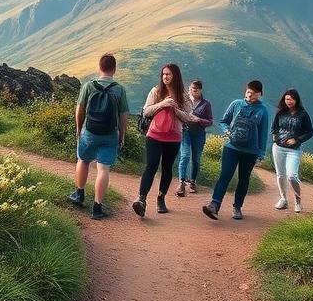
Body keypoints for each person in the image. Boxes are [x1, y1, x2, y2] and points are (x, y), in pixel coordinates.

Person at [68, 53, 129, 219]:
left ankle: (79, 194)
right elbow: (123, 115)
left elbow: (80, 109)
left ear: (99, 67)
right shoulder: (120, 89)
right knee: (103, 169)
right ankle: (97, 208)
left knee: (83, 160)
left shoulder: (89, 86)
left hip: (90, 131)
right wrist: (122, 134)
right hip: (109, 134)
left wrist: (79, 128)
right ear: (114, 70)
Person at [202, 80, 270, 221]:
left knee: (243, 179)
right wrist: (226, 131)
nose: (249, 96)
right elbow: (224, 121)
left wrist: (261, 154)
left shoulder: (263, 111)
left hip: (250, 151)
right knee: (225, 175)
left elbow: (263, 133)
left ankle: (237, 207)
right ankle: (214, 205)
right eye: (248, 92)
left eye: (253, 94)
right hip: (231, 147)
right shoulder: (236, 104)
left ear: (259, 94)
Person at [133, 64, 192, 217]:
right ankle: (141, 200)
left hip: (173, 137)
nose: (165, 77)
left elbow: (188, 117)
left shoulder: (183, 96)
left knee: (167, 168)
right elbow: (146, 110)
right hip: (155, 135)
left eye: (169, 74)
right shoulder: (156, 91)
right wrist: (162, 104)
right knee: (151, 166)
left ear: (176, 76)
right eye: (163, 74)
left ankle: (161, 198)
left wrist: (175, 108)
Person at [271, 89, 313, 213]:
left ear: (296, 100)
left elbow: (310, 132)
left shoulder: (303, 114)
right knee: (280, 174)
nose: (288, 101)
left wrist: (297, 140)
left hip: (294, 150)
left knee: (292, 175)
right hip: (278, 147)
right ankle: (283, 199)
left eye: (290, 99)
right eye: (286, 99)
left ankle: (298, 200)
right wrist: (275, 138)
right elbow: (274, 128)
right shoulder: (280, 113)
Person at [175, 79, 213, 196]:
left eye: (196, 89)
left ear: (200, 90)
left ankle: (192, 181)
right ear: (189, 89)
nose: (193, 90)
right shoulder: (183, 101)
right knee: (185, 156)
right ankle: (181, 183)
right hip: (185, 132)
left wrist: (199, 120)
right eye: (192, 88)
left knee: (196, 159)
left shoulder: (206, 104)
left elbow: (210, 121)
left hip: (199, 134)